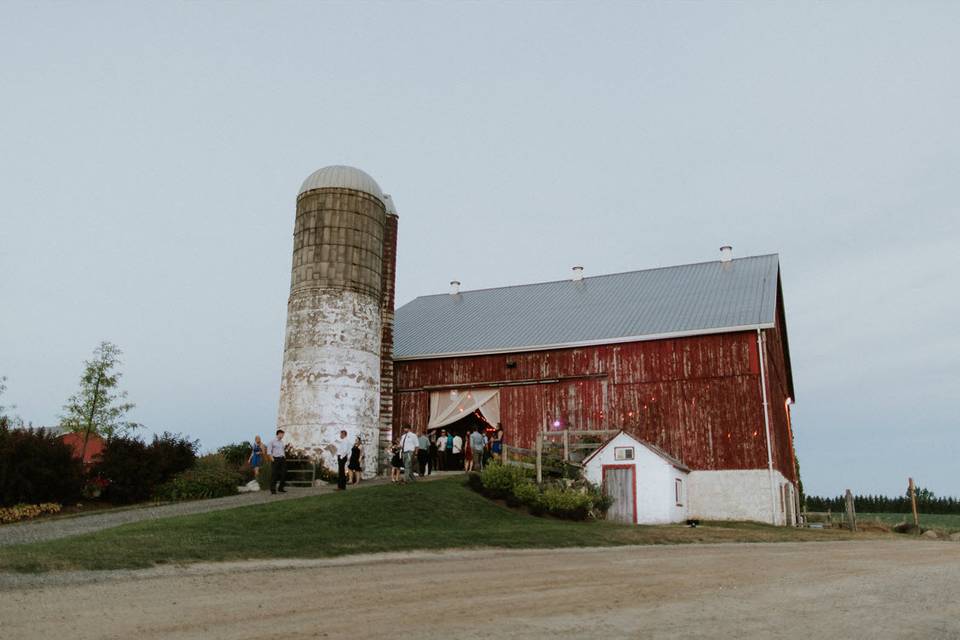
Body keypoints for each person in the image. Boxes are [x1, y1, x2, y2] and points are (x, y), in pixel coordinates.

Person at [266, 429, 286, 494]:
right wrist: (272, 459)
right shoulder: (272, 442)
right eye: (282, 434)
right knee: (274, 475)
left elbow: (282, 451)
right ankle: (273, 489)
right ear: (279, 434)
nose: (283, 436)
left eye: (283, 434)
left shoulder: (282, 442)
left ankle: (280, 488)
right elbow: (269, 452)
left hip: (282, 459)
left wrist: (284, 457)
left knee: (284, 474)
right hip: (275, 459)